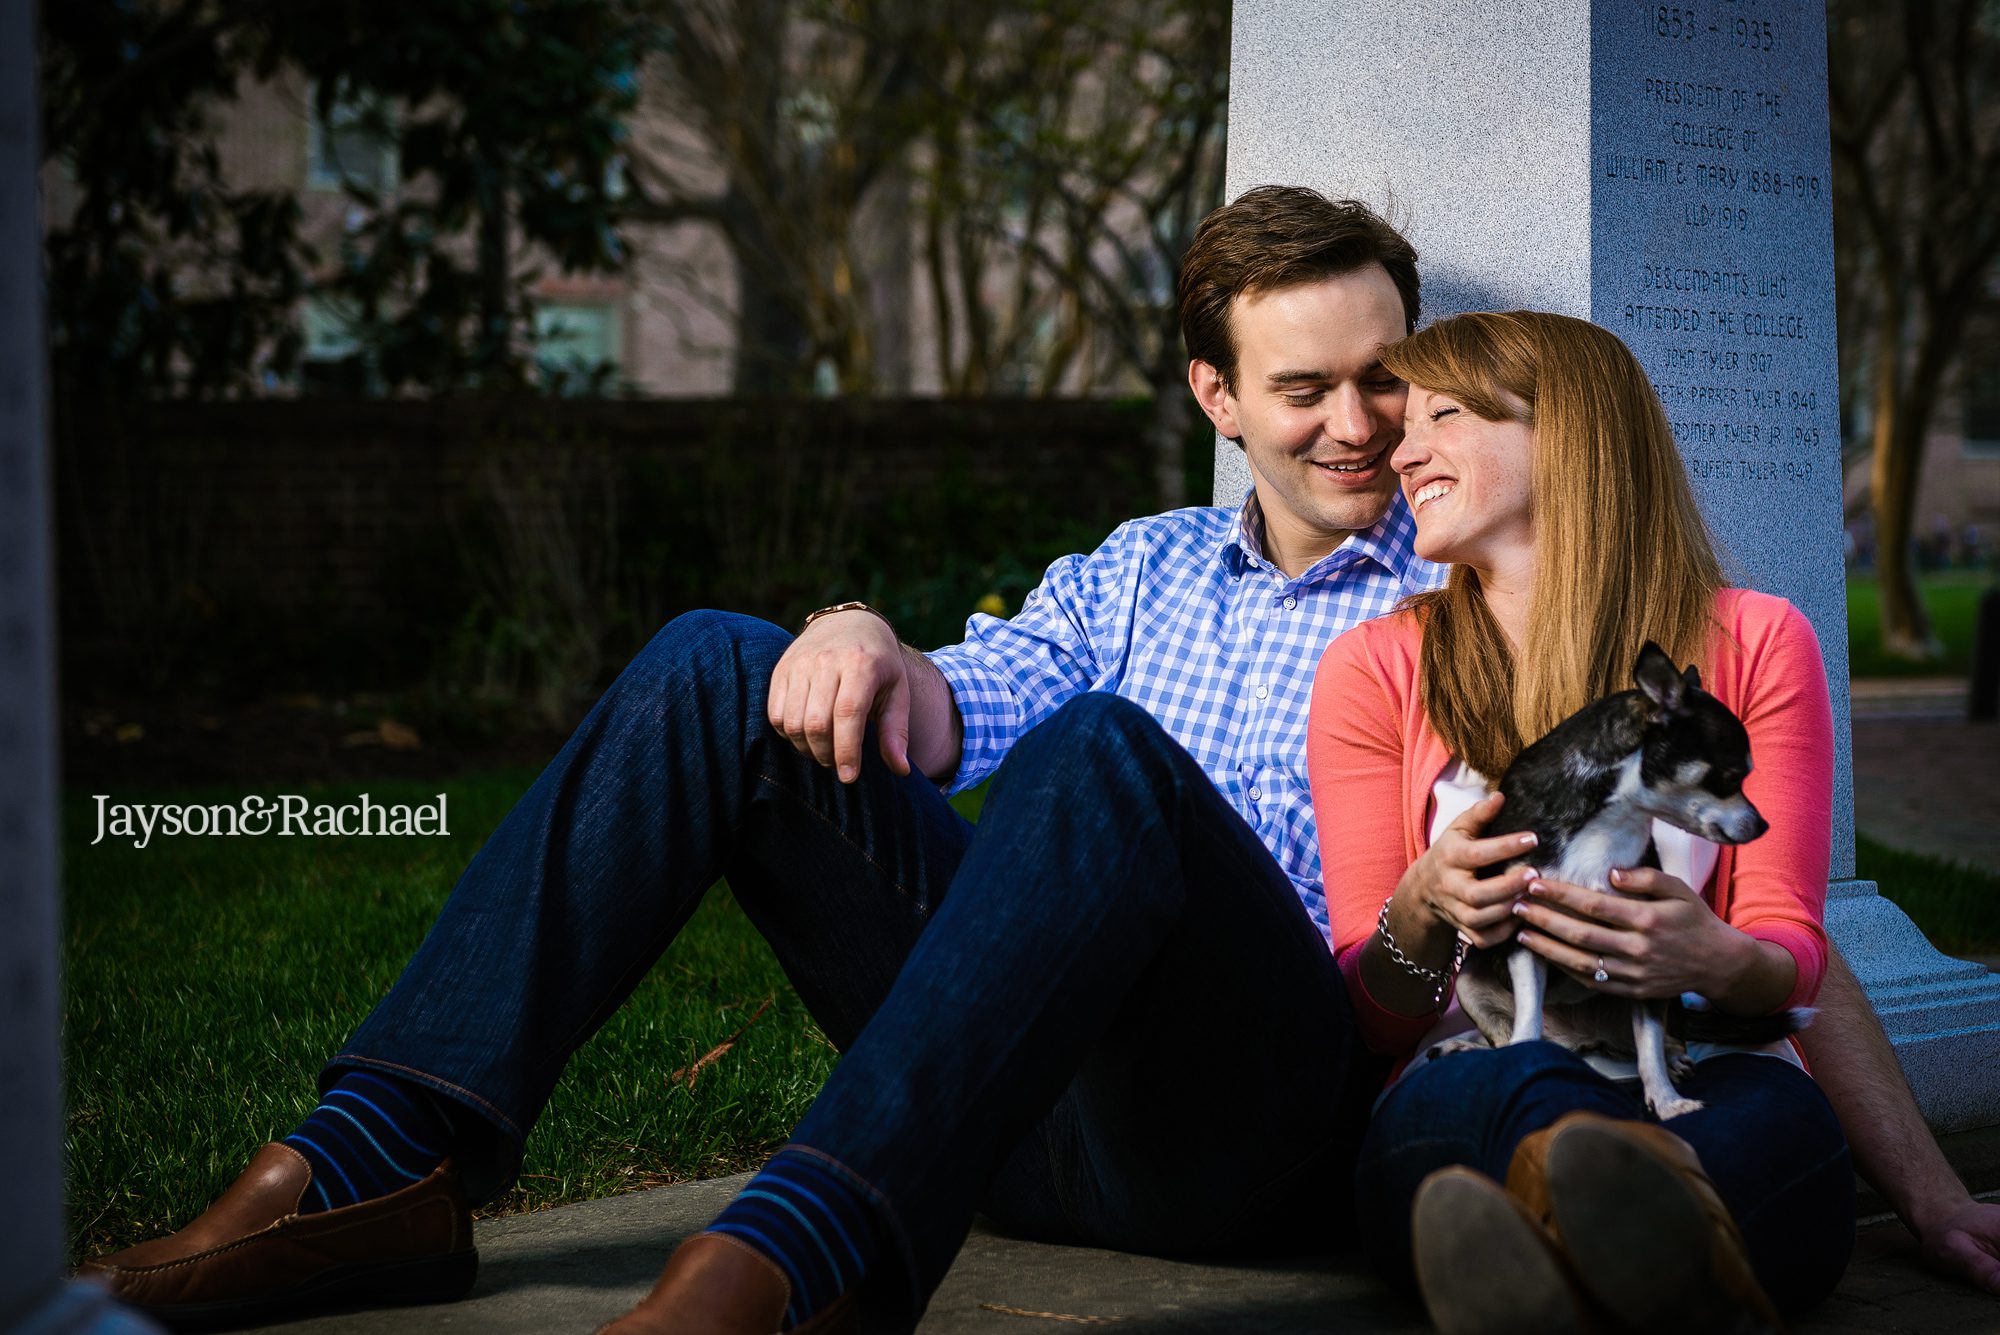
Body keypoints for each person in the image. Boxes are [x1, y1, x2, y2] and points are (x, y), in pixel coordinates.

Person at [78, 192, 1999, 1334]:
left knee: (1099, 764)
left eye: (1386, 386)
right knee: (710, 666)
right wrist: (853, 642)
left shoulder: (1477, 595)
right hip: (1023, 1074)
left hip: (1268, 1110)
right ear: (1214, 395)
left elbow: (1740, 890)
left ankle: (808, 1259)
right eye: (1306, 388)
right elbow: (942, 705)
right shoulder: (1137, 570)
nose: (1359, 427)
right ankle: (364, 1171)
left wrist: (1911, 1183)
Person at [1307, 310, 1853, 1333]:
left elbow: (1788, 945)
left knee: (1777, 1134)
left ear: (1567, 435)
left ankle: (1560, 1271)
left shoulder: (1755, 642)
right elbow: (1372, 1014)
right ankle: (1641, 1251)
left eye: (1444, 413)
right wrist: (1420, 909)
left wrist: (1710, 958)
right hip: (1475, 1071)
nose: (1400, 445)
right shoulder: (1371, 671)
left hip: (1698, 1066)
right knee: (1508, 1099)